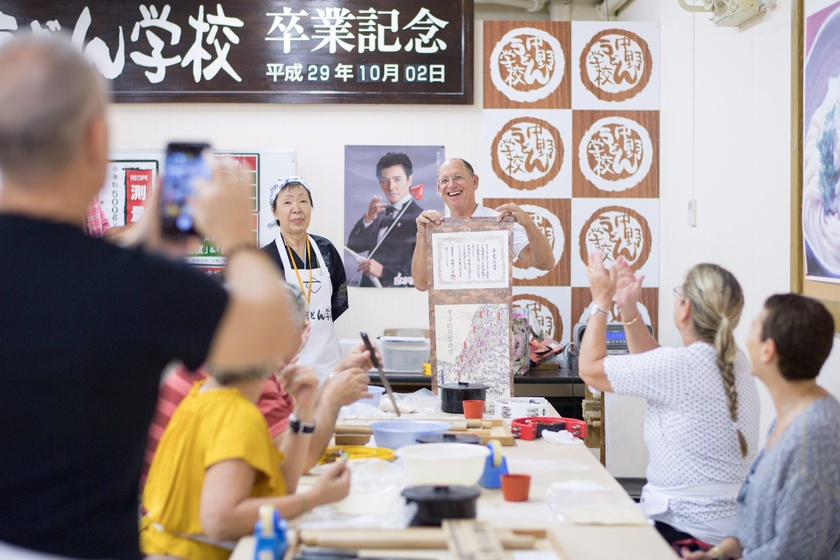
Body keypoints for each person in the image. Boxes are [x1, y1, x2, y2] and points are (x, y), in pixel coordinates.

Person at [0, 36, 300, 559]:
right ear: (96, 141)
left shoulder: (134, 278)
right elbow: (271, 334)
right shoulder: (137, 286)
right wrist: (235, 238)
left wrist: (145, 247)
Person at [140, 290, 350, 559]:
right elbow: (220, 521)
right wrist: (314, 499)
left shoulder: (204, 396)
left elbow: (281, 486)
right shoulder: (239, 416)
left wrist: (304, 411)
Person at [578, 253, 760, 549]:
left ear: (685, 309)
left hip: (683, 530)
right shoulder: (735, 361)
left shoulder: (680, 367)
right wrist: (627, 307)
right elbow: (657, 364)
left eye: (678, 295)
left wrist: (601, 301)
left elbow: (588, 368)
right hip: (729, 532)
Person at [683, 294, 840, 560]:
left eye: (754, 326)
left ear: (768, 349)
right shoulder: (790, 416)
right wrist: (717, 553)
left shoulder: (814, 438)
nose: (745, 338)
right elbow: (756, 524)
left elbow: (796, 553)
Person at [142, 338, 378, 487]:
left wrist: (334, 379)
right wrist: (332, 398)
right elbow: (296, 463)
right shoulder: (246, 382)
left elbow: (294, 423)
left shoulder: (222, 360)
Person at [411, 157, 555, 291]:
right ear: (439, 189)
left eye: (458, 177)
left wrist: (528, 224)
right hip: (450, 316)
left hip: (491, 316)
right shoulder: (436, 228)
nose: (451, 184)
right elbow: (422, 284)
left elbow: (545, 263)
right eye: (444, 180)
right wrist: (422, 234)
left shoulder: (498, 221)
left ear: (474, 182)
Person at [261, 176, 348, 381]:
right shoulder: (265, 259)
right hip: (285, 370)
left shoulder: (326, 250)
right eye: (287, 202)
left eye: (303, 201)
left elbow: (338, 300)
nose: (297, 208)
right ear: (274, 211)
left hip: (328, 364)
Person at [347, 152, 424, 287]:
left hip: (401, 296)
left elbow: (424, 269)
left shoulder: (421, 218)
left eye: (397, 179)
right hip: (368, 292)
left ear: (409, 180)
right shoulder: (378, 212)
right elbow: (353, 246)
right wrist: (368, 219)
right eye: (385, 180)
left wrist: (384, 271)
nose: (391, 186)